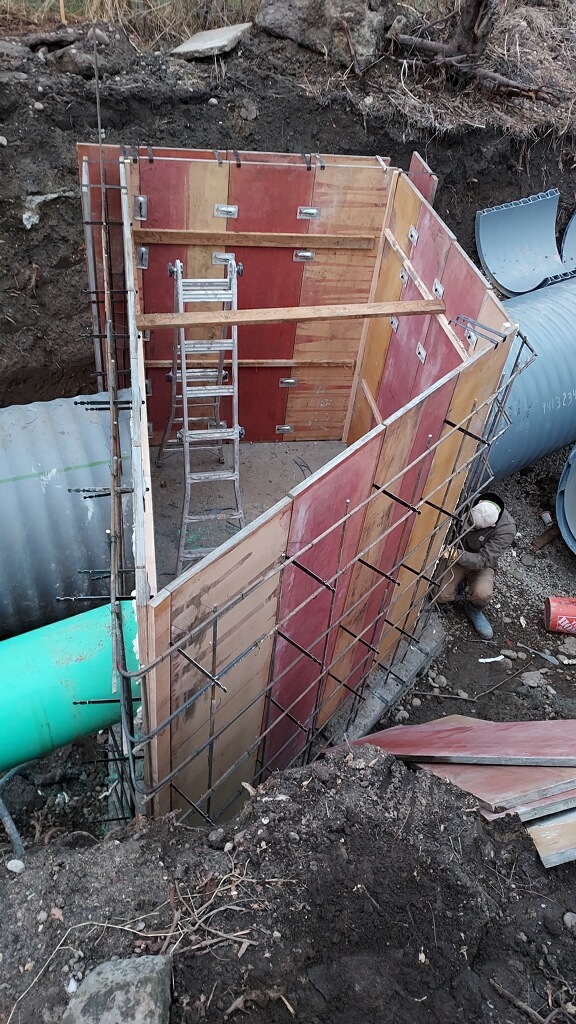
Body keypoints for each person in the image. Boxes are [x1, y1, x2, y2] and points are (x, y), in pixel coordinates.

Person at [436, 492, 516, 640]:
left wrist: (454, 554)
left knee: (482, 593)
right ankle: (457, 591)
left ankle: (473, 609)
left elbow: (484, 560)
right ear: (479, 503)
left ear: (491, 525)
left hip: (480, 564)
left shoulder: (506, 528)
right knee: (440, 595)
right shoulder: (467, 498)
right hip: (456, 556)